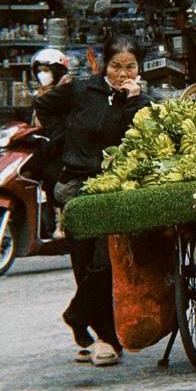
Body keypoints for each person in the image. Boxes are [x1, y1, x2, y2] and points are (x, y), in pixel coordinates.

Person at [34, 34, 150, 367]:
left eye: (130, 67)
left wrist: (130, 102)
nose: (123, 74)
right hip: (76, 185)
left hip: (113, 188)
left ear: (139, 68)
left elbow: (136, 134)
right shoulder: (82, 91)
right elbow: (44, 106)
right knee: (83, 261)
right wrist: (65, 140)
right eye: (116, 66)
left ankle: (80, 316)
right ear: (103, 66)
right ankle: (103, 336)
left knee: (104, 262)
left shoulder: (140, 102)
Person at [27, 47, 72, 237]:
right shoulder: (42, 93)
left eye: (46, 70)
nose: (42, 75)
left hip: (64, 146)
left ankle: (62, 223)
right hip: (48, 144)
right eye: (39, 71)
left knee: (52, 175)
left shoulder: (65, 91)